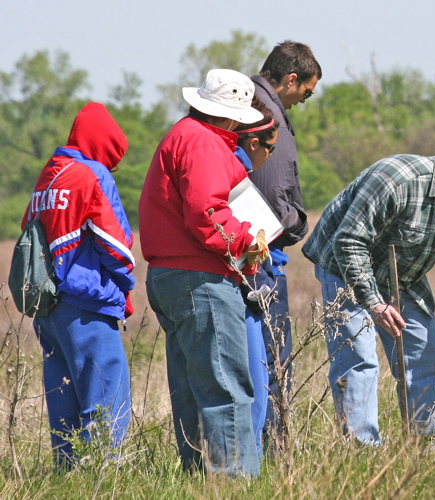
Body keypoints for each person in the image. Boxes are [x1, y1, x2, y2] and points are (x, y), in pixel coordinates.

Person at [302, 136, 435, 444]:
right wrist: (373, 303)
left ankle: (427, 443)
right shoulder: (397, 181)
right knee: (360, 358)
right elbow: (349, 242)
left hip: (403, 276)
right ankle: (362, 450)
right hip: (343, 266)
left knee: (424, 358)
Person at [138, 69, 268, 477]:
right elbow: (208, 214)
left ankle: (199, 479)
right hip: (202, 280)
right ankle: (234, 483)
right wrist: (248, 241)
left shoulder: (181, 134)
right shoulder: (206, 143)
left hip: (169, 275)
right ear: (232, 119)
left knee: (193, 389)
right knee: (226, 388)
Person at [22, 102, 136, 467]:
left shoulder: (47, 177)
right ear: (102, 150)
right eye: (111, 159)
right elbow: (117, 245)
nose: (111, 168)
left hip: (47, 310)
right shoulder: (91, 175)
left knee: (64, 406)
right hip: (86, 306)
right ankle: (100, 482)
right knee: (105, 401)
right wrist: (124, 287)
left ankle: (66, 478)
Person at [248, 40, 322, 446]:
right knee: (273, 362)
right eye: (305, 93)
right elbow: (275, 201)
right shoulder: (265, 116)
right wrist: (299, 225)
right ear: (291, 80)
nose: (303, 101)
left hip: (247, 254)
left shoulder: (248, 104)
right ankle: (274, 451)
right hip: (262, 257)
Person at [232, 99, 280, 457]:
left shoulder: (236, 171)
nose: (271, 156)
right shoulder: (233, 172)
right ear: (253, 144)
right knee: (254, 384)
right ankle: (249, 470)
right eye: (271, 148)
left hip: (247, 291)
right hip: (242, 295)